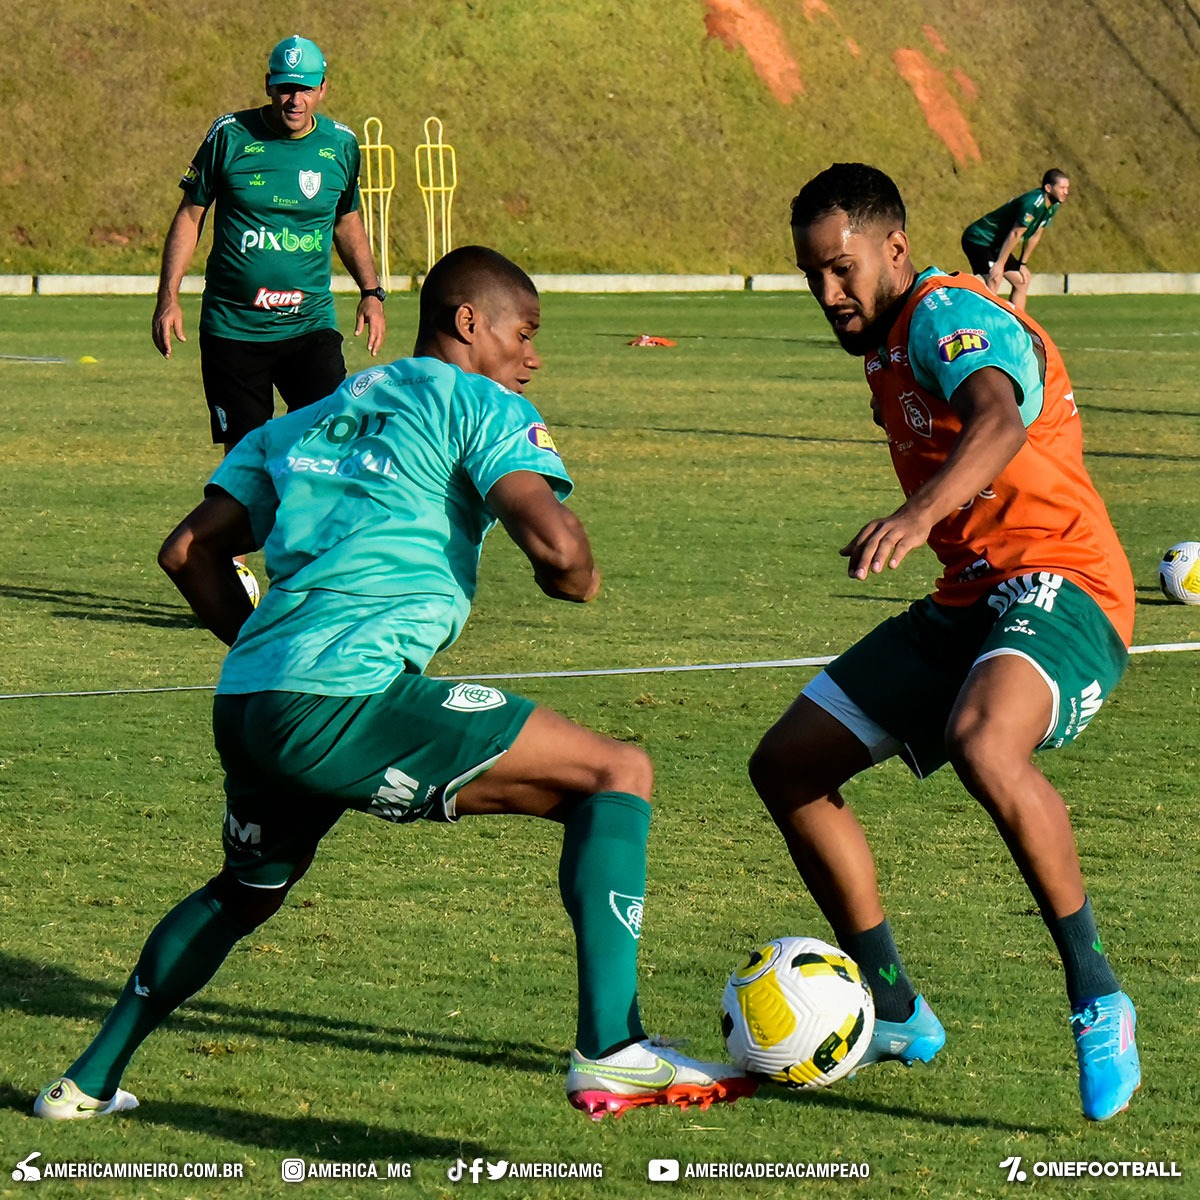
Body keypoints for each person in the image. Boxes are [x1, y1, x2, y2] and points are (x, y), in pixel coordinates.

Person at [35, 246, 752, 1123]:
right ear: (468, 324)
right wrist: (572, 561)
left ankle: (87, 1084)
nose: (532, 358)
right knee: (618, 773)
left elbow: (187, 552)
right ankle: (611, 1049)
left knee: (246, 889)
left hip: (252, 698)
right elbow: (566, 565)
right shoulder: (482, 404)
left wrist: (274, 656)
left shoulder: (306, 419)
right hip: (344, 697)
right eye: (523, 335)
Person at [750, 163, 1139, 1122]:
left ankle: (1098, 994)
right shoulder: (895, 337)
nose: (829, 295)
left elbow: (1000, 420)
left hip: (1066, 584)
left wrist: (919, 513)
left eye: (842, 270)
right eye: (813, 277)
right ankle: (892, 1006)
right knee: (788, 766)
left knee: (983, 737)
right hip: (972, 599)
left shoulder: (937, 316)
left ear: (892, 249)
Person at [151, 35, 387, 452]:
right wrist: (168, 296)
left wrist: (371, 291)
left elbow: (346, 220)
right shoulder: (230, 135)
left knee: (329, 450)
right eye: (285, 87)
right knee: (246, 466)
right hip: (235, 329)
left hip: (308, 326)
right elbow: (190, 216)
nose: (295, 99)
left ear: (323, 89)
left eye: (306, 88)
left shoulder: (342, 145)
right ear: (268, 85)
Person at [960, 169, 1070, 310]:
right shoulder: (1033, 203)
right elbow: (1015, 234)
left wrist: (1022, 263)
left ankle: (1017, 326)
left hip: (997, 244)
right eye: (1062, 188)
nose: (1066, 192)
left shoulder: (1053, 206)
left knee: (1022, 281)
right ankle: (986, 326)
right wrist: (1000, 263)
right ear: (1048, 188)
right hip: (979, 239)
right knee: (995, 278)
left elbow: (1036, 234)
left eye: (1067, 188)